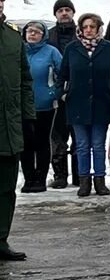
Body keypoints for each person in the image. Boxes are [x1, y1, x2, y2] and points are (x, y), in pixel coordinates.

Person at [57, 13, 110, 198]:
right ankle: (84, 181)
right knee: (81, 144)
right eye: (85, 27)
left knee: (97, 144)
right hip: (77, 103)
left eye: (92, 27)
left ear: (98, 29)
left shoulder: (109, 49)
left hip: (102, 103)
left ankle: (100, 181)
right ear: (80, 29)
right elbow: (62, 74)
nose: (88, 30)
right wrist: (63, 93)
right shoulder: (72, 49)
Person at [0, 0, 34, 260]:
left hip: (8, 128)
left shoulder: (12, 38)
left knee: (6, 189)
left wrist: (28, 118)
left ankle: (1, 239)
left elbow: (24, 82)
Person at [19, 21, 61, 193]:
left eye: (37, 32)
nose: (32, 34)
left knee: (42, 141)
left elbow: (63, 74)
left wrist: (54, 94)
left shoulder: (52, 52)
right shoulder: (20, 51)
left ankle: (40, 178)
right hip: (23, 104)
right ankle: (29, 179)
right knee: (26, 143)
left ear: (43, 35)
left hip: (45, 105)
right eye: (29, 31)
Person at [46, 0, 77, 189]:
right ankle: (60, 175)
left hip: (78, 94)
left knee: (80, 138)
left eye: (67, 9)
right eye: (60, 11)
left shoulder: (82, 33)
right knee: (57, 138)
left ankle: (80, 175)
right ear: (56, 14)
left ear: (73, 12)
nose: (64, 13)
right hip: (56, 95)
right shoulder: (48, 36)